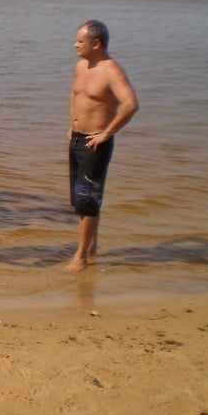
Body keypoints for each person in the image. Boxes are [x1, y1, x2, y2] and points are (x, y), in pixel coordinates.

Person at [66, 20, 138, 272]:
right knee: (79, 200)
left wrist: (107, 133)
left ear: (95, 43)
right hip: (76, 139)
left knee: (88, 201)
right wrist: (71, 124)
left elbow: (130, 104)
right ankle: (92, 249)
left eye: (80, 41)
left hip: (95, 143)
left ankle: (81, 258)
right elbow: (75, 94)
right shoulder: (81, 66)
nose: (75, 44)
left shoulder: (111, 71)